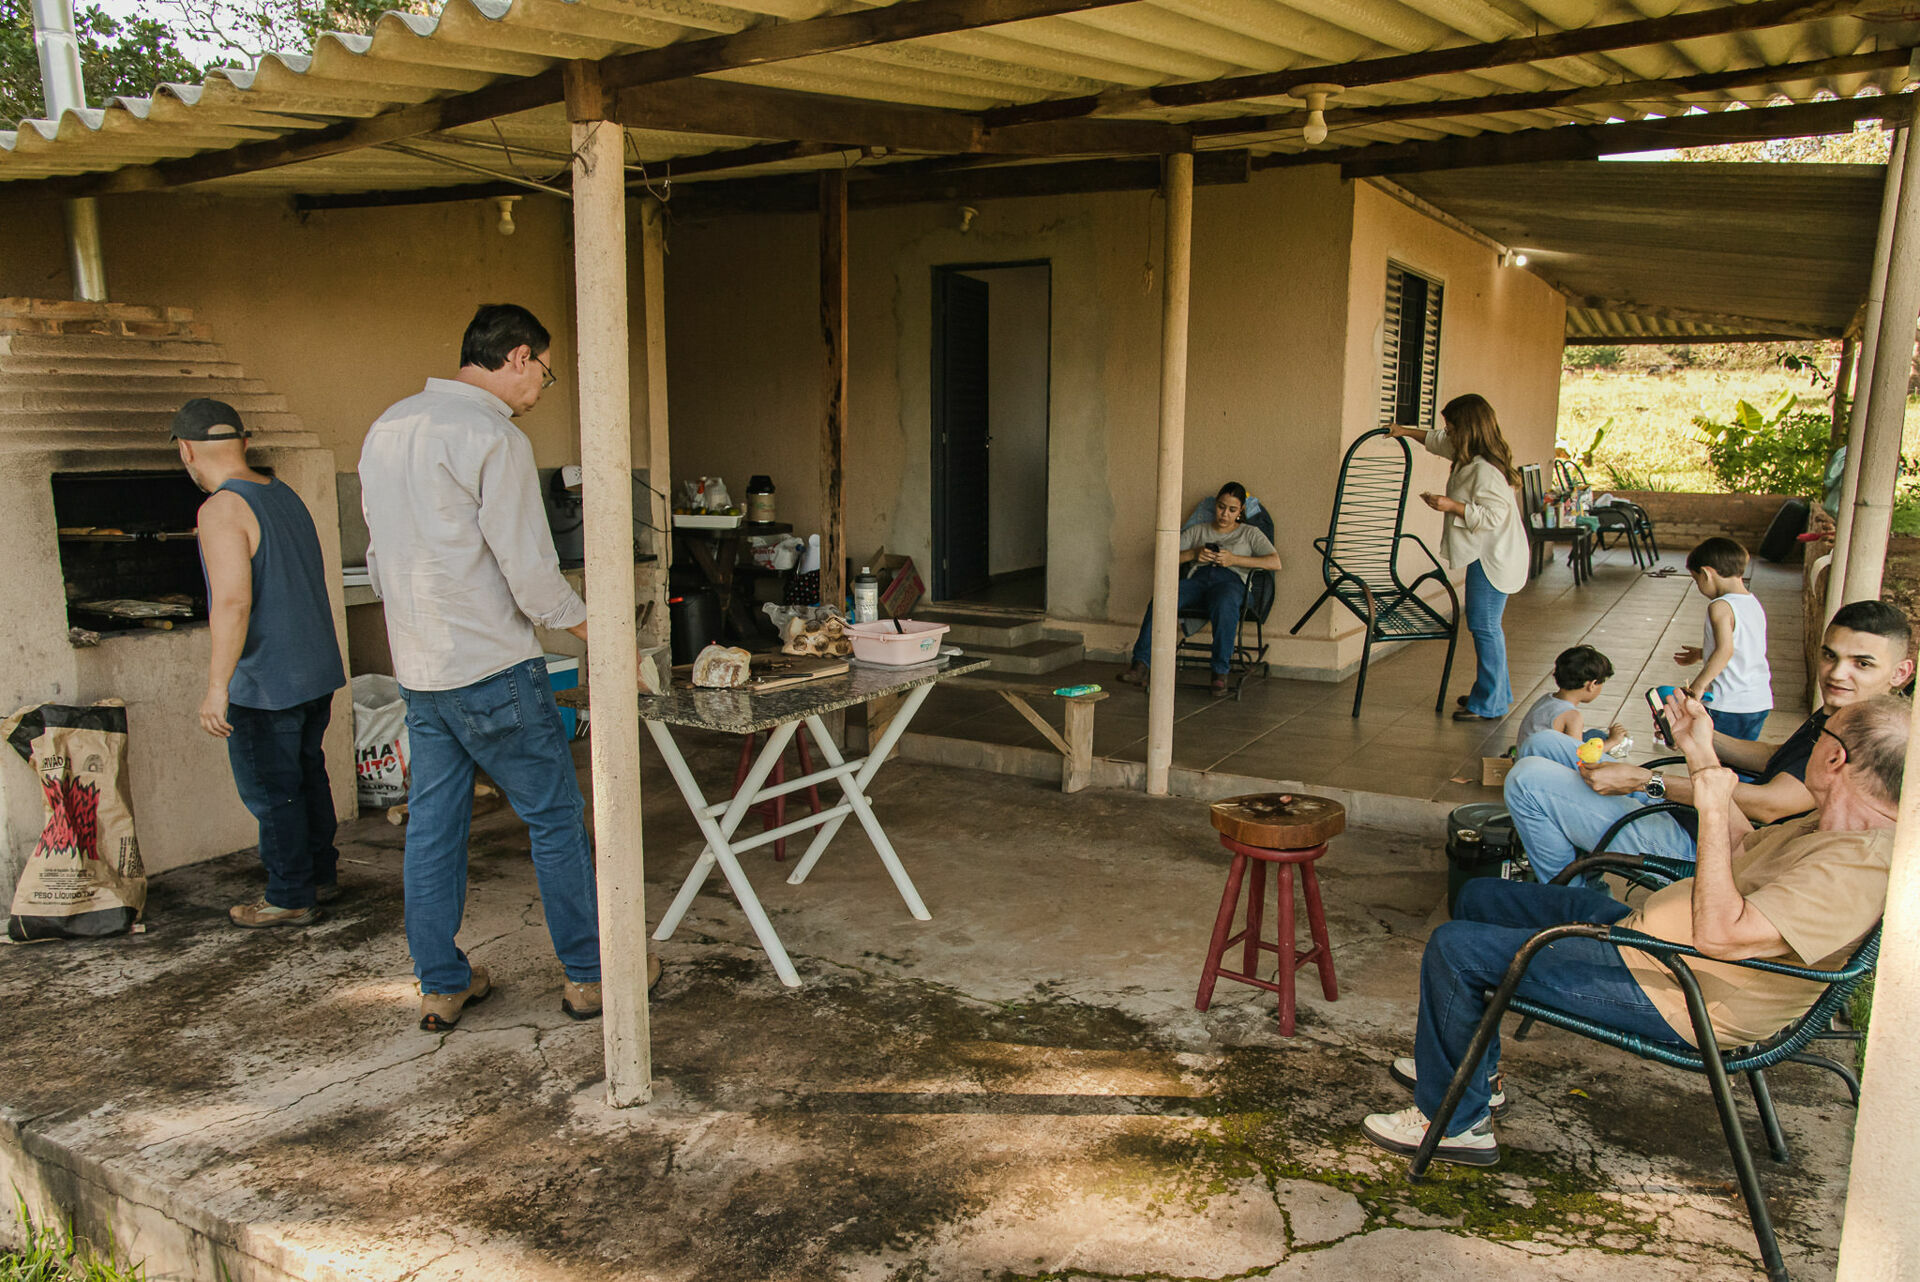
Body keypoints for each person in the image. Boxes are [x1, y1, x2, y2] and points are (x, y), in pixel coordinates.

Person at [1363, 691, 1907, 1167]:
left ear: (1834, 757)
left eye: (1820, 734)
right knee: (1483, 898)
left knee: (1455, 951)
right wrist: (1700, 752)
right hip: (1656, 946)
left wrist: (1712, 809)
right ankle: (1472, 1074)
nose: (1811, 742)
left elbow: (1721, 936)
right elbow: (1742, 849)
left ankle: (1455, 1123)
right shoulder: (1827, 827)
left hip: (1680, 993)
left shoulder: (1855, 867)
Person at [360, 303, 652, 1031]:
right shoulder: (492, 436)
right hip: (493, 668)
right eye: (544, 373)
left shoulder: (387, 426)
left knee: (433, 829)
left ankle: (441, 984)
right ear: (519, 356)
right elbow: (532, 574)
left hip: (421, 672)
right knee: (553, 819)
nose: (540, 389)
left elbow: (378, 560)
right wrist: (604, 637)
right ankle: (592, 974)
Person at [1503, 601, 1913, 885]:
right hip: (1698, 815)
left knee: (1527, 779)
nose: (1837, 674)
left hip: (1719, 850)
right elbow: (1778, 758)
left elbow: (1770, 805)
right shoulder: (1842, 712)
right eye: (1830, 656)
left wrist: (1645, 782)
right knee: (1545, 744)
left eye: (1862, 664)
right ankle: (1569, 864)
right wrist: (1701, 735)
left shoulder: (1873, 741)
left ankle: (1572, 899)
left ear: (1901, 673)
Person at [177, 397, 347, 929]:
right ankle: (319, 875)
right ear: (245, 443)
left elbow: (233, 601)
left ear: (186, 451)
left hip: (268, 679)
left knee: (273, 791)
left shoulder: (220, 509)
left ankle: (289, 894)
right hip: (314, 668)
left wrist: (217, 687)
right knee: (306, 774)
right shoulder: (282, 493)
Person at [1387, 395, 1529, 723]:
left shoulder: (1484, 470)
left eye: (1451, 427)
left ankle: (1490, 702)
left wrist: (1450, 505)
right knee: (1486, 625)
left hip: (1493, 558)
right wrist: (1403, 431)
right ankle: (1495, 693)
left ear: (1467, 430)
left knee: (1484, 625)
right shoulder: (1470, 455)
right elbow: (1436, 440)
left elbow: (1494, 516)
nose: (1446, 432)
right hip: (1488, 554)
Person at [1117, 481, 1280, 699]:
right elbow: (1163, 558)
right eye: (1221, 507)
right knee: (1164, 598)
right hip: (1199, 580)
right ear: (1215, 505)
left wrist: (1234, 559)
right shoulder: (1199, 531)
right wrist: (1193, 554)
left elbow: (1275, 562)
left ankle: (1220, 672)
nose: (1225, 514)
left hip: (1231, 583)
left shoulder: (1250, 533)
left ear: (1241, 511)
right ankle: (1140, 664)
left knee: (1225, 602)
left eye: (1232, 510)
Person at [1673, 537, 1772, 741]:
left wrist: (1698, 687)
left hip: (1728, 702)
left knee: (1712, 755)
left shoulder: (1720, 606)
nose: (1699, 586)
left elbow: (1725, 650)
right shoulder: (1752, 603)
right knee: (1741, 755)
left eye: (1696, 580)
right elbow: (1744, 647)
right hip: (1757, 701)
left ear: (1707, 574)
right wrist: (1703, 653)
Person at [1512, 644, 1628, 758]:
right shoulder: (1572, 716)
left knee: (1594, 735)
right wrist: (1613, 741)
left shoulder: (1546, 698)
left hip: (1525, 758)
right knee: (1600, 742)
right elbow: (1579, 757)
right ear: (1592, 685)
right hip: (1542, 766)